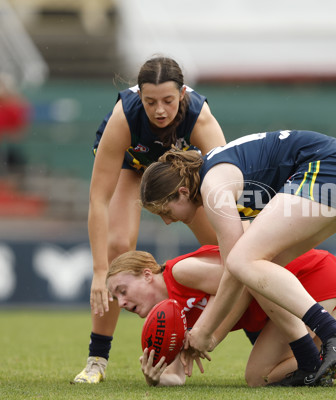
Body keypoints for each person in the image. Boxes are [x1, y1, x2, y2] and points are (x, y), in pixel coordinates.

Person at [139, 129, 336, 386]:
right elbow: (245, 282)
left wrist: (205, 332)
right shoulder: (213, 177)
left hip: (330, 169)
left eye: (165, 210)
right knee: (260, 268)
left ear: (182, 192)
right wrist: (210, 336)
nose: (167, 221)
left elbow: (233, 269)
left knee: (241, 261)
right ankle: (309, 360)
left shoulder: (212, 188)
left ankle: (333, 333)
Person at [73, 56, 227, 384]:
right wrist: (101, 271)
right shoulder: (124, 118)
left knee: (225, 246)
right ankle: (97, 360)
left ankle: (256, 327)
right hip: (135, 167)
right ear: (139, 96)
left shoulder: (201, 119)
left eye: (168, 101)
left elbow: (227, 187)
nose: (159, 110)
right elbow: (98, 199)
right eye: (150, 101)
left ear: (183, 94)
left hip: (180, 172)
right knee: (117, 246)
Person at [105, 246, 336, 386]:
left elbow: (247, 280)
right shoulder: (171, 318)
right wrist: (157, 376)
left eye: (122, 289)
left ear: (147, 274)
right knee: (266, 376)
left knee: (260, 376)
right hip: (284, 302)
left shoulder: (182, 272)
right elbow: (180, 374)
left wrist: (211, 336)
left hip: (308, 279)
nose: (121, 302)